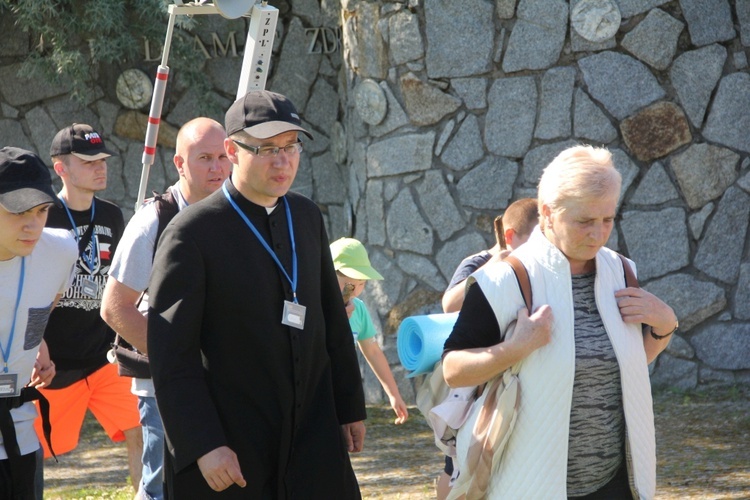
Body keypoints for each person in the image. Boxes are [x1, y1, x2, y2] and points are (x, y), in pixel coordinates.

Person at [147, 90, 366, 499]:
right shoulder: (190, 233)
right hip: (233, 442)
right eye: (266, 149)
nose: (283, 162)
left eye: (290, 147)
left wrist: (349, 406)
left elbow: (332, 320)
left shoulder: (306, 216)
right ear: (232, 150)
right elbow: (171, 356)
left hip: (312, 435)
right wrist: (203, 445)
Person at [442, 145, 677, 499]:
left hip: (615, 483)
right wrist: (515, 348)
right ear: (548, 214)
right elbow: (453, 370)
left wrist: (665, 326)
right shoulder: (504, 280)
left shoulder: (621, 271)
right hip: (530, 484)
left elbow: (622, 366)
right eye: (584, 221)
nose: (598, 234)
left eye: (607, 220)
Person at [101, 117, 232, 500]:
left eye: (223, 157)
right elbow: (115, 308)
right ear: (179, 164)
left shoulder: (235, 214)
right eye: (205, 157)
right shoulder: (152, 222)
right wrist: (177, 361)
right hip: (164, 391)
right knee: (161, 490)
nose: (217, 167)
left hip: (223, 384)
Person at [33, 124, 143, 490]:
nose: (100, 167)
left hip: (104, 358)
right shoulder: (42, 217)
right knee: (34, 451)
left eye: (102, 160)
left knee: (140, 430)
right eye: (88, 161)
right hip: (52, 363)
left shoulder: (112, 215)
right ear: (60, 167)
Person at [436, 197, 538, 499]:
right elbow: (448, 303)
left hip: (504, 377)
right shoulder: (479, 262)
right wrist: (494, 266)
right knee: (455, 462)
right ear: (510, 236)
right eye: (533, 241)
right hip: (470, 379)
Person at [0, 147, 77, 499]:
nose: (33, 225)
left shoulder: (60, 250)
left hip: (21, 436)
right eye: (18, 212)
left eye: (42, 210)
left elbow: (42, 308)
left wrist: (35, 345)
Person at [330, 237, 408, 425]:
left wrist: (393, 393)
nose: (355, 292)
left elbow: (372, 351)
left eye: (362, 284)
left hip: (341, 396)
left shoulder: (359, 309)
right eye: (348, 285)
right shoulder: (313, 305)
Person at [442, 198, 538, 315]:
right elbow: (450, 306)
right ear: (509, 236)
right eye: (535, 242)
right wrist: (489, 268)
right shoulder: (477, 264)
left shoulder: (532, 267)